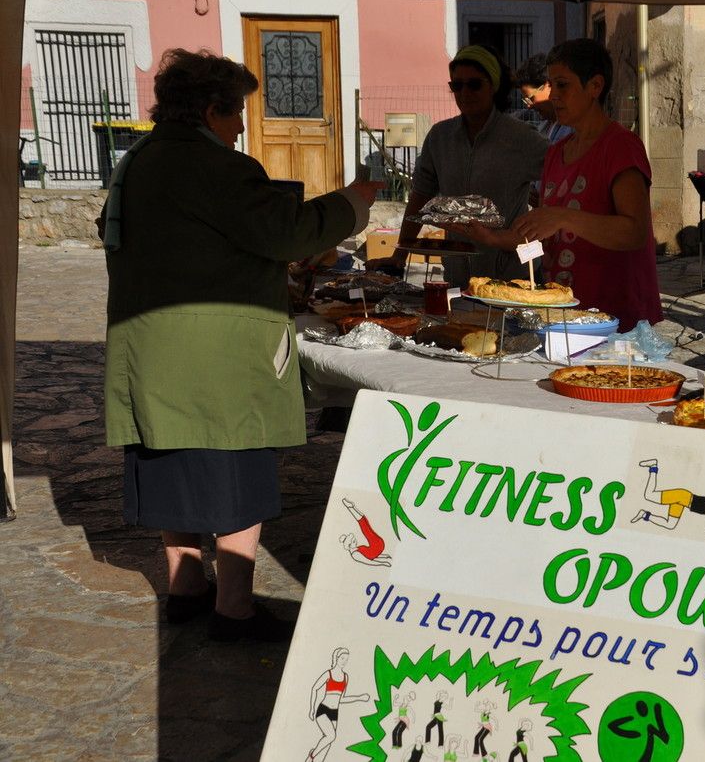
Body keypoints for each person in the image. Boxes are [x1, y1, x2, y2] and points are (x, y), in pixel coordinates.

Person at [100, 49, 379, 641]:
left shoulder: (137, 162)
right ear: (210, 110)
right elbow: (286, 231)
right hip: (216, 356)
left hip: (151, 345)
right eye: (237, 114)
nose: (243, 127)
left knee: (170, 462)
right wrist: (353, 201)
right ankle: (234, 608)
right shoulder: (219, 167)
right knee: (235, 471)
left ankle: (185, 587)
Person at [463, 38, 663, 331]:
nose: (553, 95)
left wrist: (563, 217)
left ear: (595, 86)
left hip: (618, 320)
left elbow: (634, 232)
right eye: (551, 85)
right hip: (564, 318)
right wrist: (491, 237)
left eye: (562, 85)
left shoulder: (621, 147)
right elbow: (545, 235)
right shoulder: (556, 153)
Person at [387, 45, 548, 287]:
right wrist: (399, 255)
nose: (464, 93)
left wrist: (545, 213)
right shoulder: (440, 137)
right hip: (458, 279)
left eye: (474, 84)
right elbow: (419, 197)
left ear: (493, 86)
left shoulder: (522, 138)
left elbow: (562, 181)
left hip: (512, 280)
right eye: (457, 85)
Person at [307, 648, 371, 762]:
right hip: (323, 709)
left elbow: (342, 699)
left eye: (346, 659)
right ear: (336, 658)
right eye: (342, 658)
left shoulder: (345, 677)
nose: (344, 661)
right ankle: (311, 756)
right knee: (331, 736)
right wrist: (312, 708)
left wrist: (359, 698)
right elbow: (314, 688)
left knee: (329, 741)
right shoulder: (329, 674)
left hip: (334, 712)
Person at [513, 53, 573, 144]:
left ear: (548, 85)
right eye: (526, 101)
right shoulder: (544, 127)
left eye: (531, 98)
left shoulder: (573, 128)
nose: (529, 106)